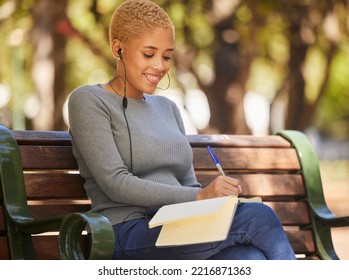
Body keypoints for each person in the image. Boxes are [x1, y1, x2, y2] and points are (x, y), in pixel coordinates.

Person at [68, 0, 295, 260]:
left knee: (247, 258)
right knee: (259, 217)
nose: (160, 66)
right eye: (148, 54)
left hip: (177, 225)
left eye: (166, 56)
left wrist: (213, 202)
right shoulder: (88, 100)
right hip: (125, 233)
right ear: (118, 49)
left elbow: (188, 182)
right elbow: (116, 183)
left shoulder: (168, 108)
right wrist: (200, 196)